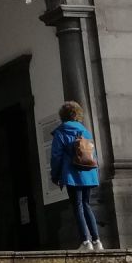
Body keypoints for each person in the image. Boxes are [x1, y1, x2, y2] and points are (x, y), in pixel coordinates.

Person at [50, 99, 104, 251]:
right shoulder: (85, 131)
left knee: (77, 206)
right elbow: (93, 153)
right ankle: (97, 241)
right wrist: (95, 173)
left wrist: (55, 175)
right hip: (88, 173)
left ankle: (85, 242)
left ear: (63, 115)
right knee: (86, 205)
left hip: (73, 174)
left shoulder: (61, 131)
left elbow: (56, 156)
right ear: (77, 115)